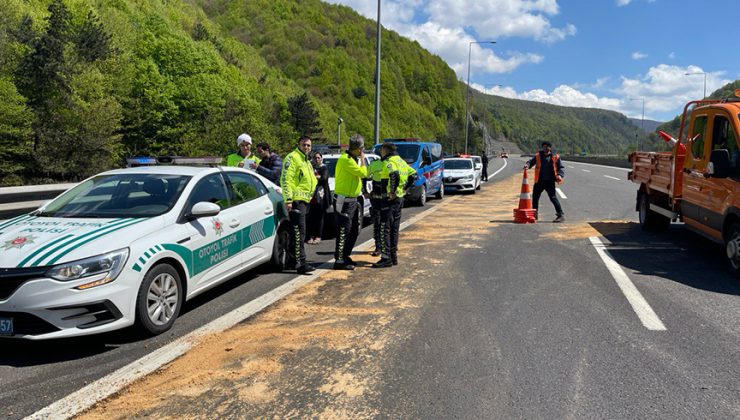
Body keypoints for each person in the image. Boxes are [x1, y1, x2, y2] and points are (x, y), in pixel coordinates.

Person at [374, 142, 416, 268]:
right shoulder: (402, 161)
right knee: (394, 228)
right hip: (399, 198)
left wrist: (392, 191)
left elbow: (394, 175)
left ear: (385, 150)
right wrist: (404, 189)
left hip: (388, 199)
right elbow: (413, 175)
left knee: (384, 227)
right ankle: (393, 257)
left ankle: (386, 257)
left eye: (381, 150)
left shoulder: (389, 162)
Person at [281, 136, 318, 274]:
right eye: (304, 145)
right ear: (298, 144)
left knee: (298, 232)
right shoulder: (293, 157)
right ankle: (301, 263)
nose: (307, 147)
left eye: (309, 145)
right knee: (299, 233)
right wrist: (288, 199)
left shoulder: (306, 159)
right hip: (296, 200)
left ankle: (292, 261)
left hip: (305, 201)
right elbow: (286, 179)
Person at [332, 135, 368, 270]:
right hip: (343, 200)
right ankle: (339, 260)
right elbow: (363, 173)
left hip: (353, 200)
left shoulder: (352, 159)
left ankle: (345, 255)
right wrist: (363, 160)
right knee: (343, 230)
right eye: (362, 149)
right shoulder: (345, 160)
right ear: (359, 149)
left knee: (354, 230)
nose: (363, 152)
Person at [524, 141, 565, 223]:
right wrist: (527, 165)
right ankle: (534, 215)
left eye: (546, 147)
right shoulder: (538, 156)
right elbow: (531, 162)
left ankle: (560, 215)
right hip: (539, 181)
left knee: (553, 198)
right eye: (543, 147)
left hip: (549, 182)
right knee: (535, 198)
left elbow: (561, 167)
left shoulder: (555, 157)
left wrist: (560, 174)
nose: (544, 148)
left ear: (550, 148)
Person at [307, 151, 330, 244]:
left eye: (318, 158)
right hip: (311, 196)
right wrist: (316, 177)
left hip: (321, 196)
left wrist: (316, 177)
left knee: (319, 218)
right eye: (315, 158)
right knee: (311, 217)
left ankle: (318, 236)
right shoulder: (311, 167)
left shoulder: (324, 168)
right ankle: (311, 236)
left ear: (321, 159)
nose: (317, 159)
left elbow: (324, 179)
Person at [367, 156, 385, 256]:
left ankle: (386, 246)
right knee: (378, 223)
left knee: (383, 223)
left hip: (385, 198)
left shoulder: (391, 163)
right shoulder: (375, 164)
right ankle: (379, 247)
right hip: (378, 198)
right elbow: (365, 177)